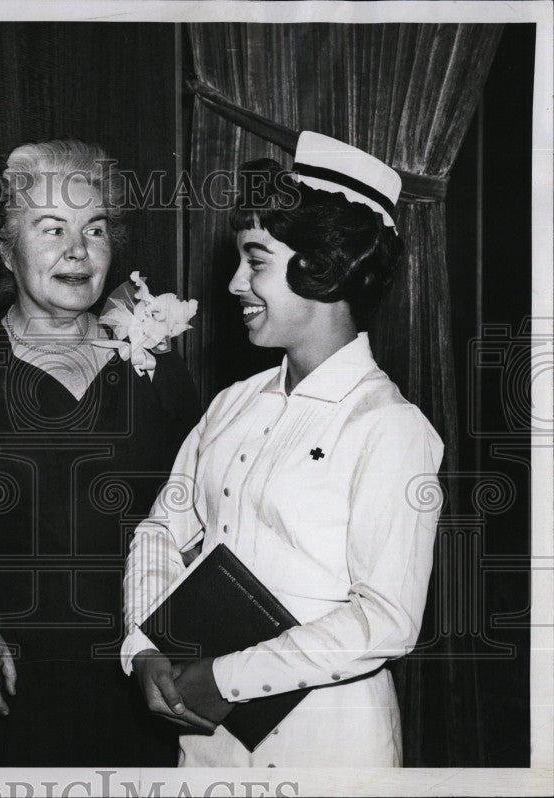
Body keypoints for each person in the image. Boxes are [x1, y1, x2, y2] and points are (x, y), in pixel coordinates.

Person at [122, 132, 444, 767]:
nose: (236, 282)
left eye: (256, 260)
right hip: (206, 744)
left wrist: (225, 678)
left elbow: (387, 619)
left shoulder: (391, 428)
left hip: (330, 751)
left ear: (322, 266)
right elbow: (161, 528)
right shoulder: (231, 405)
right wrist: (145, 646)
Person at [0, 139, 202, 766]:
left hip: (137, 679)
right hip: (6, 679)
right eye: (51, 228)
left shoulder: (157, 372)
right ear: (6, 249)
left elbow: (197, 521)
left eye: (95, 229)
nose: (77, 250)